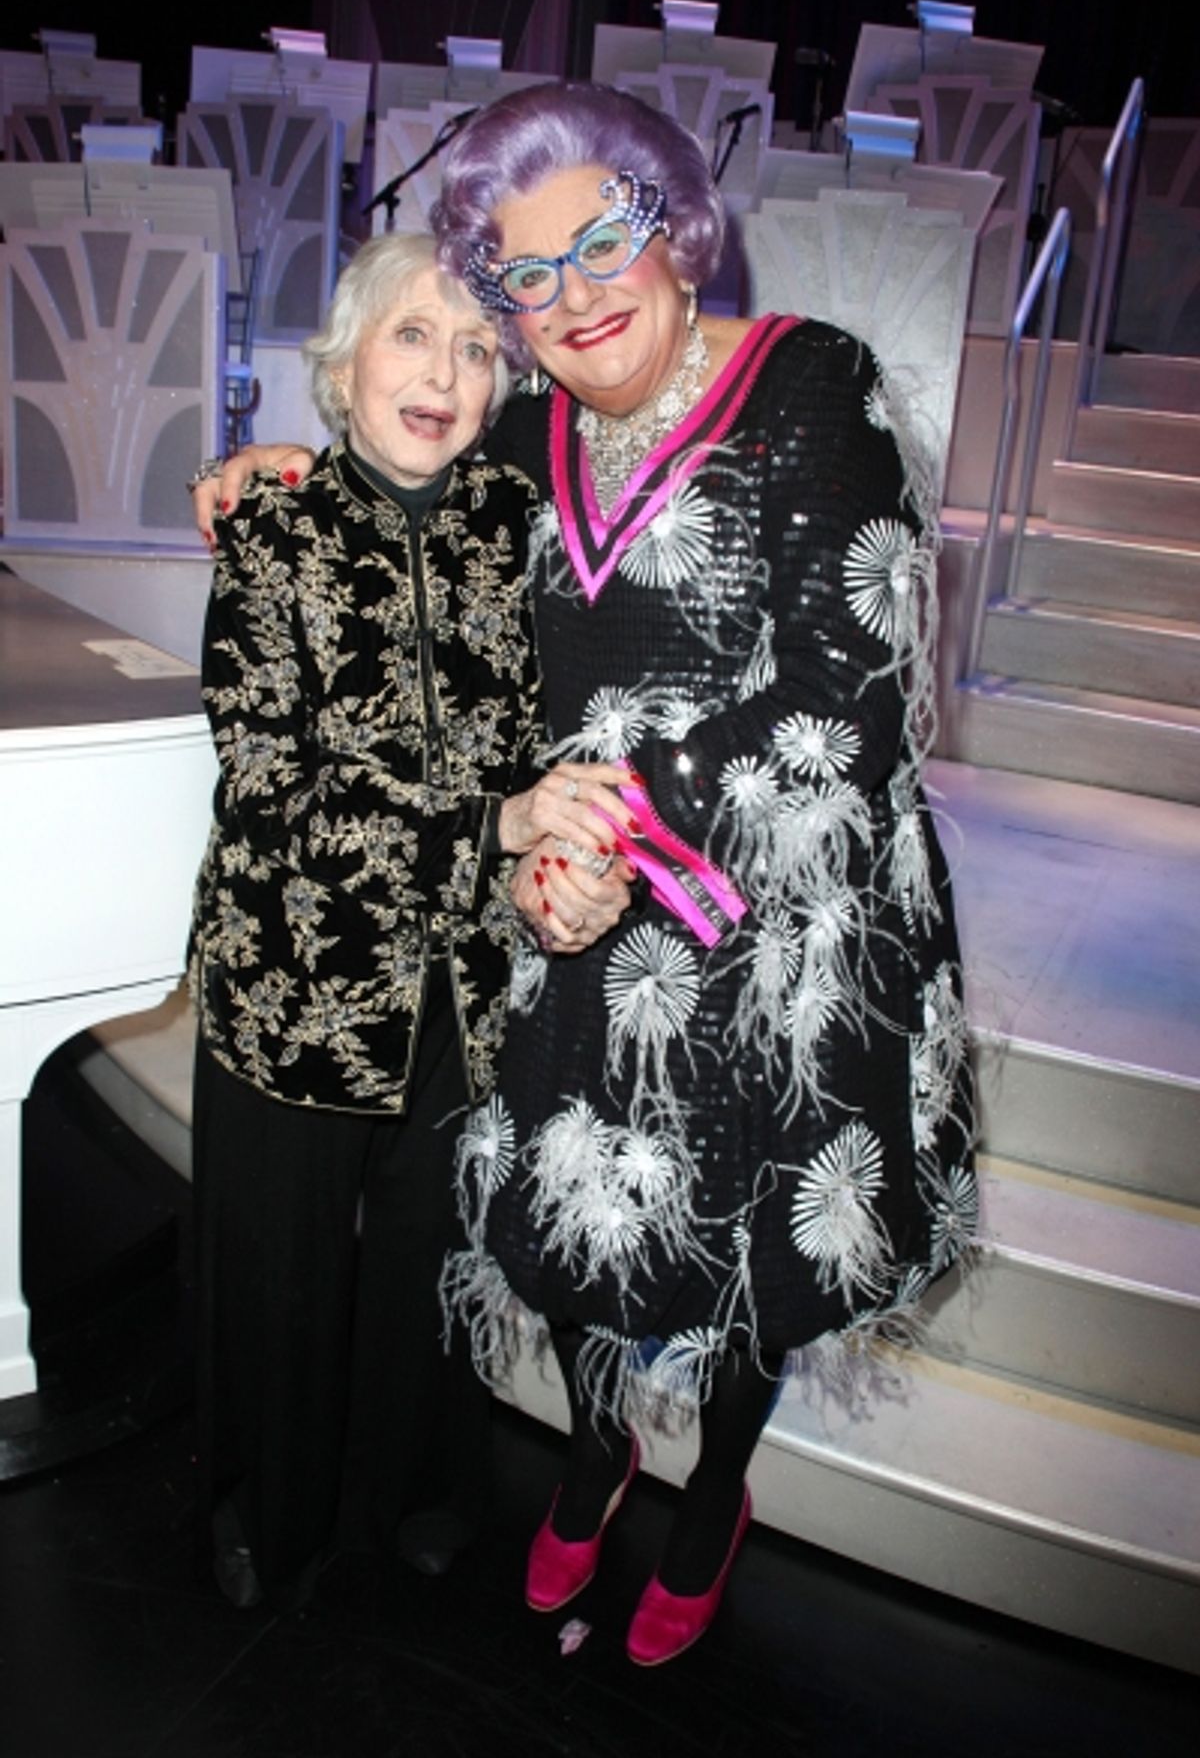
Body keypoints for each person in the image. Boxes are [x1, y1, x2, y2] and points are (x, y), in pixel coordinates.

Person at [198, 80, 977, 1663]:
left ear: (677, 227)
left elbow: (855, 685)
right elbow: (410, 505)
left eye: (604, 242)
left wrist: (602, 828)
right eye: (527, 276)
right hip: (566, 909)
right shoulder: (523, 431)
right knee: (568, 1212)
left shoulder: (810, 382)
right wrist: (285, 468)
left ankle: (715, 1495)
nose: (575, 296)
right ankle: (596, 1451)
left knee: (753, 1228)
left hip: (773, 918)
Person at [188, 230, 633, 1613]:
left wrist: (560, 855)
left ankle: (419, 1490)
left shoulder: (521, 524)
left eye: (474, 347)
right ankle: (265, 1505)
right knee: (281, 1272)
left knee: (432, 1263)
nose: (443, 374)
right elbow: (270, 787)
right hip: (294, 979)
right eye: (411, 336)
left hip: (462, 982)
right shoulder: (274, 529)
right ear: (345, 364)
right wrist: (492, 826)